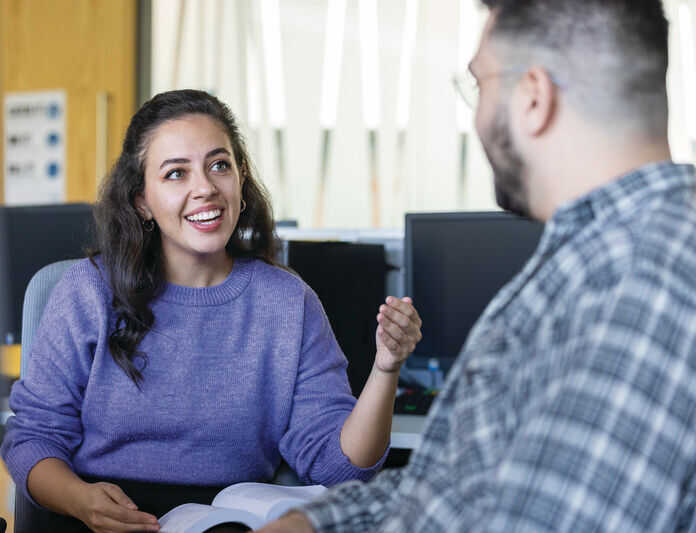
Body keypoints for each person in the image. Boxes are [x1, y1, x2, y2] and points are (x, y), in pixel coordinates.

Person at [260, 1, 696, 531]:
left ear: (534, 98)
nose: (477, 114)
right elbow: (463, 483)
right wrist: (312, 523)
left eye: (480, 84)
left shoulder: (641, 283)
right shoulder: (596, 258)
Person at [0, 89, 422, 533]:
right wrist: (81, 501)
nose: (204, 188)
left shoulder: (287, 301)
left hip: (229, 518)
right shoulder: (87, 290)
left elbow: (339, 469)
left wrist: (386, 368)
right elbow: (33, 439)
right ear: (142, 199)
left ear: (240, 176)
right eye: (176, 173)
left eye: (219, 165)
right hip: (100, 517)